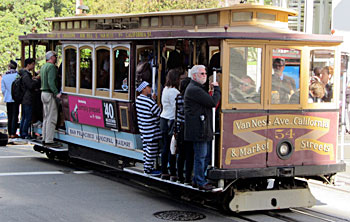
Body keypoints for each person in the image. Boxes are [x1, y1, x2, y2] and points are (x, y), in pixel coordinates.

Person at [184, 65, 221, 191]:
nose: (204, 75)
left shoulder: (197, 88)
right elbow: (212, 102)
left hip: (202, 127)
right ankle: (200, 181)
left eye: (205, 73)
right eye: (202, 74)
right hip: (199, 128)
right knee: (201, 155)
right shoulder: (194, 89)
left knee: (204, 155)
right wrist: (217, 89)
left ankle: (197, 179)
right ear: (194, 76)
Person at [135, 81, 162, 176]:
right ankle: (149, 169)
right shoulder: (148, 101)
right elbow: (158, 112)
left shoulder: (138, 100)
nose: (150, 89)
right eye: (148, 87)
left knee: (147, 150)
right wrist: (156, 103)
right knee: (152, 150)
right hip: (152, 130)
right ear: (143, 89)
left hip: (144, 129)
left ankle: (147, 167)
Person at [160, 69, 180, 181]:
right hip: (171, 120)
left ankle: (164, 171)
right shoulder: (175, 92)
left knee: (165, 147)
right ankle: (172, 172)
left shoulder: (165, 89)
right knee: (172, 147)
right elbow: (175, 108)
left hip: (163, 118)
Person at [40, 51, 61, 147]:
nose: (56, 58)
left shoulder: (43, 66)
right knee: (52, 117)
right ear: (51, 57)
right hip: (49, 93)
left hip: (43, 93)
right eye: (55, 56)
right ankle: (49, 139)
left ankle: (44, 137)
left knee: (45, 117)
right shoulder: (51, 67)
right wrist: (56, 93)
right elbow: (51, 81)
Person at [175, 77, 193, 184]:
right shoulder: (189, 99)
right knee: (189, 154)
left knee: (181, 154)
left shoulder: (178, 97)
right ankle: (187, 177)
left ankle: (179, 176)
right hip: (188, 128)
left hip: (180, 127)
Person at [19, 58, 40, 139]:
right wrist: (36, 80)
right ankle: (24, 133)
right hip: (28, 98)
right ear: (28, 64)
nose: (33, 66)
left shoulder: (23, 74)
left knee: (24, 116)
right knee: (27, 117)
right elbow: (30, 85)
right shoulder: (26, 74)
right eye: (33, 64)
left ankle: (22, 132)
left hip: (25, 98)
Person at [1, 60, 20, 138]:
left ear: (9, 67)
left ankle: (9, 133)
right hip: (16, 99)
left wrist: (7, 95)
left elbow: (3, 89)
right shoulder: (17, 76)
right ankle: (13, 132)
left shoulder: (4, 77)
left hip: (8, 99)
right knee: (15, 115)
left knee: (10, 116)